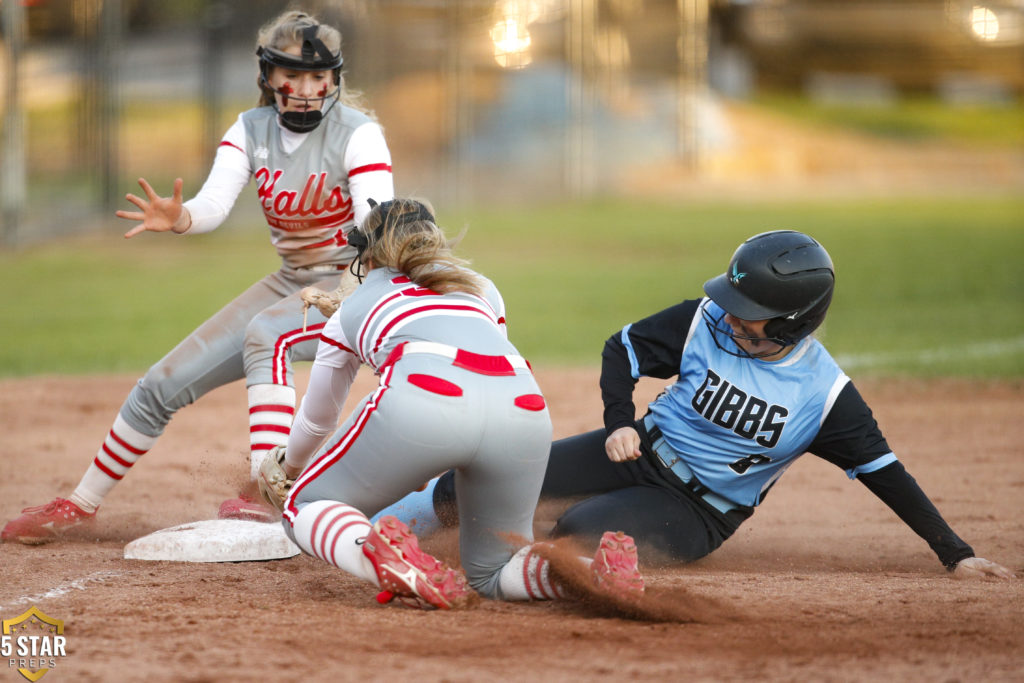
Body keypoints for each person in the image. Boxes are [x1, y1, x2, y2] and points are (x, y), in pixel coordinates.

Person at [375, 230, 1015, 580]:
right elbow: (620, 349)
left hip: (698, 512)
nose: (732, 319)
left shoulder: (824, 398)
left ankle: (510, 576)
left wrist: (954, 552)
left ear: (792, 324)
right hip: (636, 456)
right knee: (488, 476)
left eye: (752, 317)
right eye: (733, 305)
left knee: (577, 534)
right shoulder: (703, 321)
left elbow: (885, 474)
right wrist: (620, 422)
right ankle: (372, 525)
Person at [2, 10, 394, 544]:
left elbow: (377, 223)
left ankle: (269, 494)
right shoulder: (251, 129)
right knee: (161, 383)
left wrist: (353, 286)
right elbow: (212, 203)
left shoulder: (358, 134)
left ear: (334, 79)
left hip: (354, 283)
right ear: (268, 77)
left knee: (266, 334)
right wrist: (182, 217)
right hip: (292, 281)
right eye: (292, 76)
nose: (305, 89)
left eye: (317, 77)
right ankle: (80, 502)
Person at [266, 197, 645, 608]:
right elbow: (483, 375)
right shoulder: (482, 288)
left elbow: (319, 419)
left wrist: (289, 468)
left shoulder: (350, 309)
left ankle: (381, 557)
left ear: (368, 254)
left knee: (305, 504)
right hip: (524, 409)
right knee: (493, 570)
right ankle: (595, 574)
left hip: (426, 403)